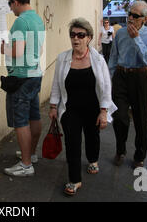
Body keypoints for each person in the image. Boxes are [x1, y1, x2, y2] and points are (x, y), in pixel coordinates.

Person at [49, 18, 116, 196]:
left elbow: (106, 86)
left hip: (93, 108)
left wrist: (104, 111)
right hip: (70, 109)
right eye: (72, 35)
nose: (76, 39)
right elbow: (56, 83)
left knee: (92, 137)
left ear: (89, 38)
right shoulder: (63, 58)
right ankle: (74, 179)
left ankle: (93, 159)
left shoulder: (98, 60)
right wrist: (53, 106)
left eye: (80, 35)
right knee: (72, 143)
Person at [108, 0, 147, 169]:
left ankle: (139, 156)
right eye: (129, 14)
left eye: (135, 15)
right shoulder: (121, 34)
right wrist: (110, 78)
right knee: (120, 117)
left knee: (141, 119)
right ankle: (120, 150)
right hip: (121, 77)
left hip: (140, 78)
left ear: (144, 19)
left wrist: (137, 39)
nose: (130, 18)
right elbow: (114, 57)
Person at [1, 0, 45, 177]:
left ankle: (26, 165)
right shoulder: (37, 19)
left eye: (10, 3)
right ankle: (32, 154)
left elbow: (17, 52)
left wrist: (4, 48)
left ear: (16, 1)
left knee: (21, 121)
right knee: (34, 115)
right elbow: (40, 50)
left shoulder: (20, 22)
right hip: (35, 74)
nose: (10, 8)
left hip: (21, 77)